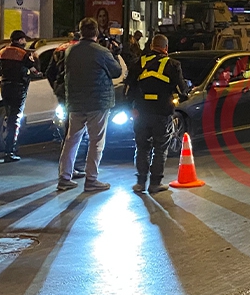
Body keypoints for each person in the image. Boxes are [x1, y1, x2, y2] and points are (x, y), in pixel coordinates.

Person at [57, 18, 122, 192]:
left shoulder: (71, 51)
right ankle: (91, 179)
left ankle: (64, 177)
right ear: (96, 32)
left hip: (76, 102)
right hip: (97, 102)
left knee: (72, 140)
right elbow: (117, 72)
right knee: (96, 141)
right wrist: (114, 54)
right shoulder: (101, 52)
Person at [126, 33, 188, 193]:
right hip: (162, 112)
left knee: (142, 147)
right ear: (166, 48)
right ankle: (155, 184)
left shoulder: (138, 63)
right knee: (160, 148)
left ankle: (140, 182)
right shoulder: (173, 65)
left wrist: (130, 108)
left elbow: (127, 90)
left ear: (152, 46)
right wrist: (179, 97)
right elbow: (183, 91)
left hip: (141, 112)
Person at [0, 30, 37, 163]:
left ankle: (10, 148)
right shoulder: (23, 54)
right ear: (20, 40)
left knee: (9, 116)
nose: (25, 42)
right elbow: (34, 70)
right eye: (24, 40)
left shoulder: (2, 51)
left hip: (5, 86)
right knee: (15, 119)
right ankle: (10, 151)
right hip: (18, 87)